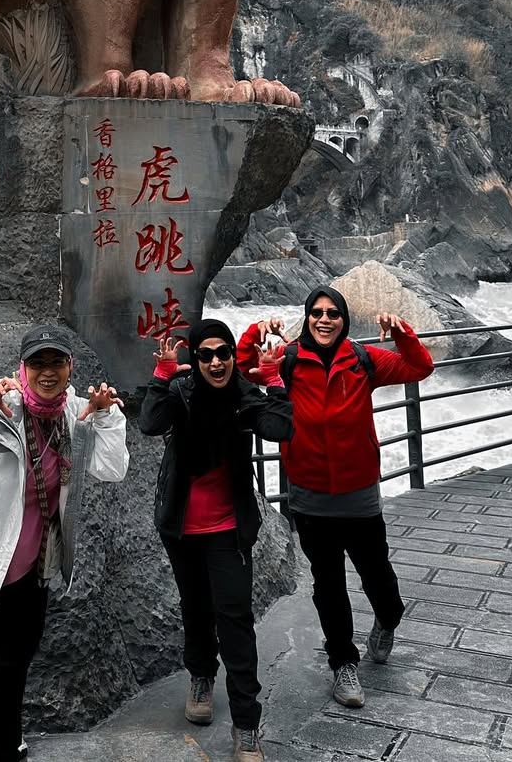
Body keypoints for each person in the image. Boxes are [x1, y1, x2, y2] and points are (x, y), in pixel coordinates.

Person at [0, 325, 128, 762]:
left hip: (42, 560)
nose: (47, 371)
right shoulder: (3, 407)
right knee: (4, 660)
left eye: (56, 362)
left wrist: (106, 417)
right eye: (37, 363)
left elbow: (112, 470)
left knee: (24, 650)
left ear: (70, 367)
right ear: (22, 369)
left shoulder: (77, 411)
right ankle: (5, 747)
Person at [237, 287, 433, 709]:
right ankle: (343, 661)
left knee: (377, 574)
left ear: (344, 319)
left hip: (359, 490)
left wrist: (401, 334)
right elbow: (240, 372)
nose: (324, 320)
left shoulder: (362, 359)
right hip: (309, 494)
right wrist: (255, 332)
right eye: (316, 313)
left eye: (333, 314)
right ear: (307, 318)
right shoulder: (287, 359)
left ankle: (388, 617)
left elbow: (420, 367)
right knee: (328, 584)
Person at [140, 317, 293, 762]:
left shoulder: (244, 395)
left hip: (228, 528)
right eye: (204, 354)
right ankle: (202, 675)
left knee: (236, 620)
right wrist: (163, 374)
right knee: (195, 607)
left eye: (223, 353)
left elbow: (281, 429)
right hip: (182, 527)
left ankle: (246, 724)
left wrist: (274, 381)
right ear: (195, 357)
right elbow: (150, 423)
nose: (215, 362)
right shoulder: (181, 393)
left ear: (231, 355)